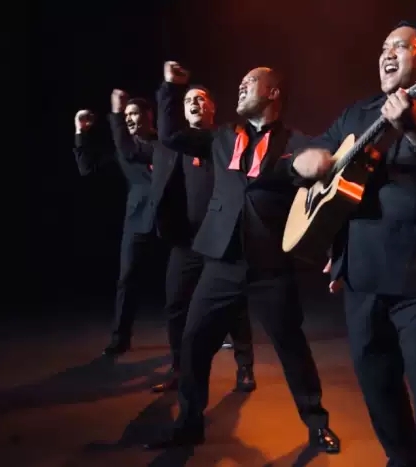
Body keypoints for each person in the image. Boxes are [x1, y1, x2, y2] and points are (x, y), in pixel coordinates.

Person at [292, 20, 416, 467]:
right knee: (377, 387)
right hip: (362, 277)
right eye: (383, 47)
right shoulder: (357, 114)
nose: (387, 53)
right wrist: (305, 161)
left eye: (400, 46)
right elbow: (306, 158)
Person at [144, 63, 340, 453]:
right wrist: (171, 88)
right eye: (240, 82)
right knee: (194, 342)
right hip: (221, 261)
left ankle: (317, 423)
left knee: (291, 346)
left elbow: (324, 192)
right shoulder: (221, 137)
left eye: (250, 82)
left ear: (272, 93)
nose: (241, 87)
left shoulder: (297, 142)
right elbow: (170, 135)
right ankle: (189, 424)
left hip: (270, 265)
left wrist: (335, 248)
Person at [106, 87, 256, 393]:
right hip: (186, 241)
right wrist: (118, 116)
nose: (193, 103)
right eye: (188, 100)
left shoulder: (223, 140)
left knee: (233, 307)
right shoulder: (169, 145)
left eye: (200, 98)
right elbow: (130, 151)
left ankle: (245, 366)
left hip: (220, 240)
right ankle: (179, 368)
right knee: (175, 305)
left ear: (212, 107)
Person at [73, 96, 162, 357]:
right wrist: (81, 132)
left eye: (134, 113)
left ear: (149, 115)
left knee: (191, 276)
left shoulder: (164, 142)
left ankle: (215, 331)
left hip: (169, 218)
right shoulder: (123, 148)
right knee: (127, 279)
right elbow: (86, 168)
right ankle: (120, 338)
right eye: (126, 116)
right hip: (137, 220)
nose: (129, 119)